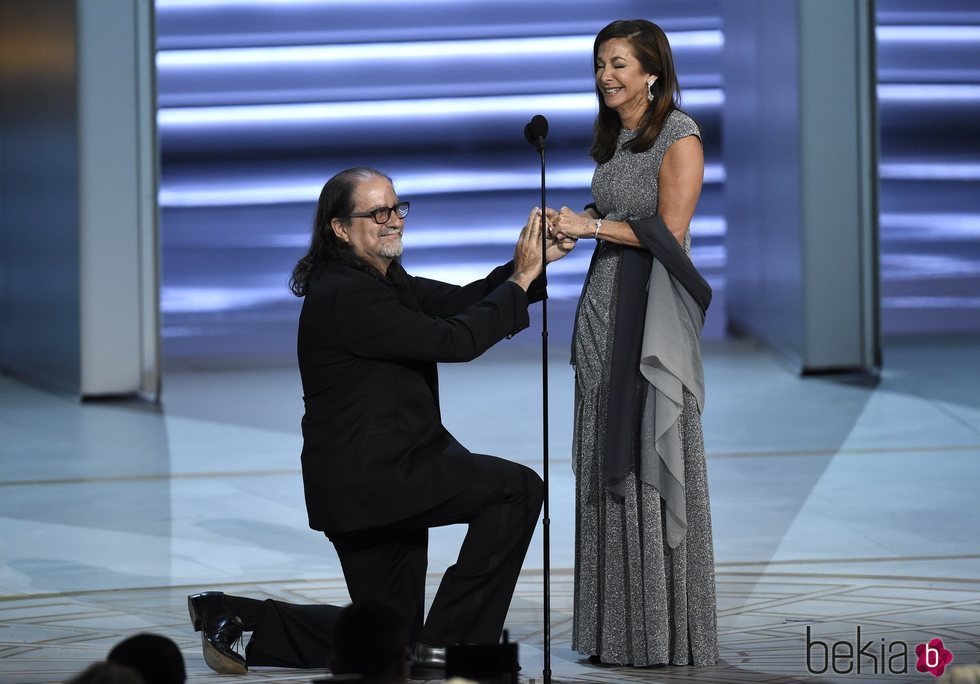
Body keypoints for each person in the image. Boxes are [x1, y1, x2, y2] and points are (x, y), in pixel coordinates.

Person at [187, 167, 575, 677]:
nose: (392, 221)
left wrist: (530, 267)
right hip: (382, 477)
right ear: (340, 229)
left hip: (368, 482)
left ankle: (235, 615)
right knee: (516, 489)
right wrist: (521, 280)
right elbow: (453, 341)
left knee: (391, 641)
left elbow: (462, 303)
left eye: (395, 209)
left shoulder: (383, 280)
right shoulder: (349, 295)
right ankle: (452, 657)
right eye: (376, 213)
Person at [548, 19, 718, 667]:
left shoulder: (680, 134)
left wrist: (592, 226)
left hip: (651, 315)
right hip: (602, 309)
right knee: (602, 457)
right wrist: (570, 233)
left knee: (649, 447)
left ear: (652, 71)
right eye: (599, 65)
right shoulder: (616, 138)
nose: (607, 77)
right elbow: (616, 225)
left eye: (619, 64)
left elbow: (668, 234)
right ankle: (612, 631)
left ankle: (661, 631)